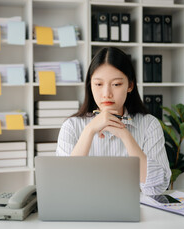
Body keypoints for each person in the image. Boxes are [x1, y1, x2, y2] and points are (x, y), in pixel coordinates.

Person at [56, 47, 171, 195]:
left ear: (130, 85)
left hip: (137, 212)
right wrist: (89, 131)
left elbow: (157, 187)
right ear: (90, 85)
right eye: (98, 84)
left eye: (116, 84)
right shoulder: (71, 126)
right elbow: (64, 185)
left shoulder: (149, 125)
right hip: (84, 212)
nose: (106, 94)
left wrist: (125, 135)